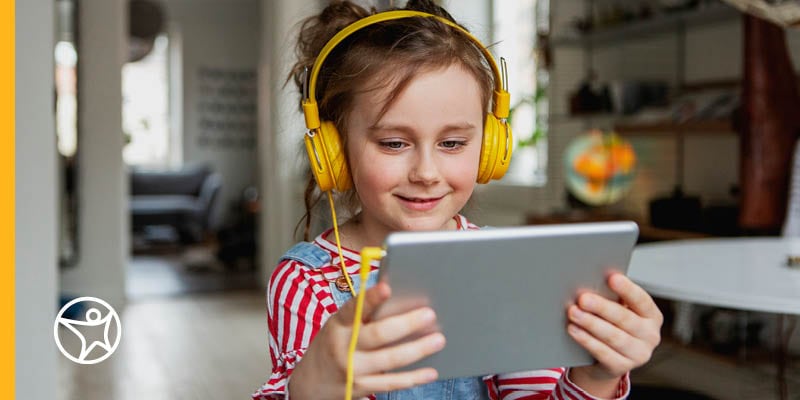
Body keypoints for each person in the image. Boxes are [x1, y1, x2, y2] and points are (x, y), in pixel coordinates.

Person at [252, 1, 663, 399]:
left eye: (452, 143)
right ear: (335, 152)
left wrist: (596, 374)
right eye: (394, 143)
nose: (426, 173)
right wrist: (311, 389)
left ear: (489, 150)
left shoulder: (508, 268)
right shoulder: (307, 283)